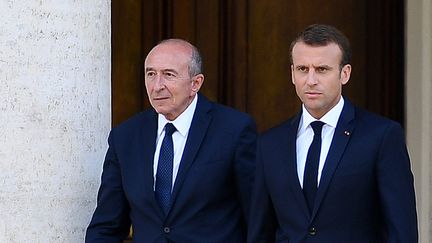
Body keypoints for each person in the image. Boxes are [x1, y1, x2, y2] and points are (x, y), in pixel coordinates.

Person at [248, 24, 418, 242]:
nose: (311, 80)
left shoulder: (382, 136)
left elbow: (401, 231)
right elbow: (260, 231)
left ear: (344, 74)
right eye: (302, 69)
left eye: (322, 69)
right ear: (292, 74)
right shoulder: (270, 144)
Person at [86, 39, 257, 242]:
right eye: (151, 74)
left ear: (196, 83)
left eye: (169, 74)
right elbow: (107, 226)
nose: (157, 86)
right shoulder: (125, 137)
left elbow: (256, 218)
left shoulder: (234, 130)